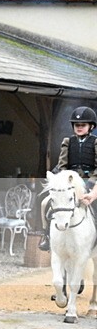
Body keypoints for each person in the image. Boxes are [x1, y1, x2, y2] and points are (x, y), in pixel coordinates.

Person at [37, 106, 97, 251]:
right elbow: (62, 165)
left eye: (83, 125)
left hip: (91, 182)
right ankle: (46, 235)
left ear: (91, 126)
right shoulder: (68, 142)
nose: (79, 127)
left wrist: (91, 182)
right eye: (77, 125)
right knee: (45, 203)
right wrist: (60, 180)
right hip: (70, 182)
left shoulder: (95, 142)